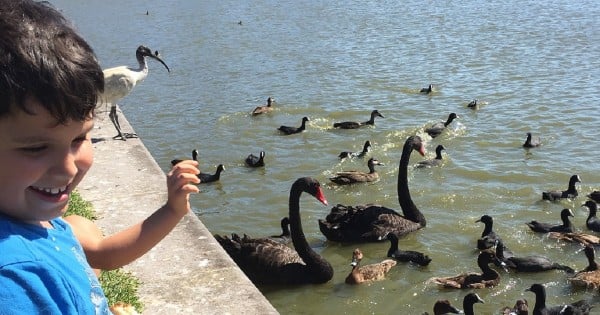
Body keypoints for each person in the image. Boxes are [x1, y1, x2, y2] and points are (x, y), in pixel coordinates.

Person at [0, 1, 201, 314]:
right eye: (35, 147)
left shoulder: (41, 221)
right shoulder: (15, 284)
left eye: (80, 138)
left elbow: (103, 254)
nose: (68, 167)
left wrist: (172, 210)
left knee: (83, 227)